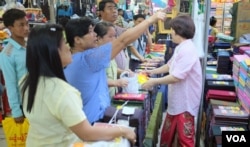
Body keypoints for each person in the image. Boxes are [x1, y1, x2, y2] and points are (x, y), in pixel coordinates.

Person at [20, 24, 136, 147]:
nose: (68, 47)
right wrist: (123, 130)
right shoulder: (62, 91)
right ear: (53, 52)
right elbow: (87, 133)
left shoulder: (27, 81)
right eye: (64, 43)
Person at [64, 11, 165, 124]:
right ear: (77, 40)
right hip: (93, 120)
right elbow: (123, 41)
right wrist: (150, 20)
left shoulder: (78, 57)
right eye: (90, 32)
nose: (95, 35)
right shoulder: (88, 59)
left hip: (93, 116)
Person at [142, 15, 202, 147]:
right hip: (177, 100)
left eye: (172, 29)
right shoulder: (181, 47)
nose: (171, 32)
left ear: (178, 31)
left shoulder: (187, 49)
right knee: (168, 135)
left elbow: (176, 76)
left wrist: (153, 81)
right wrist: (151, 72)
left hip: (185, 102)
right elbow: (169, 66)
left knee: (185, 139)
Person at [0, 8, 29, 123]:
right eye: (21, 25)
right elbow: (10, 84)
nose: (26, 28)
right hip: (25, 105)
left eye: (26, 23)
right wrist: (16, 111)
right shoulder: (7, 54)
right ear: (10, 28)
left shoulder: (31, 45)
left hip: (39, 100)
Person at [94, 21, 128, 98]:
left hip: (112, 96)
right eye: (110, 36)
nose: (114, 39)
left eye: (115, 36)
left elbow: (111, 69)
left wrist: (123, 71)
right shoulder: (94, 56)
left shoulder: (109, 52)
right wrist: (115, 82)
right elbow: (96, 80)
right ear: (99, 38)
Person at [99, 0, 129, 72]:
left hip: (123, 73)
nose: (114, 11)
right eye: (110, 8)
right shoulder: (98, 30)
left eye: (115, 8)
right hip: (111, 75)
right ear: (101, 13)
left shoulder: (119, 29)